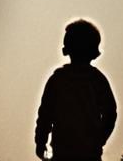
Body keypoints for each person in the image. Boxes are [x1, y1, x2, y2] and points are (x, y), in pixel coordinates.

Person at [35, 19, 117, 161]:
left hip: (63, 152)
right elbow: (110, 114)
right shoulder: (97, 80)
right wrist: (99, 140)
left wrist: (40, 142)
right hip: (89, 153)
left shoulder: (57, 80)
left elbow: (45, 116)